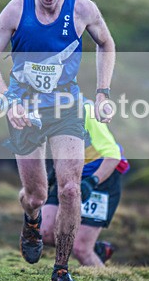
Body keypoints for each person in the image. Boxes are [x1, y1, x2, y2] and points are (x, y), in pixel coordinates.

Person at [0, 0, 116, 281]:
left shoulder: (84, 9)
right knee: (37, 194)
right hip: (23, 108)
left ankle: (62, 272)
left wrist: (102, 93)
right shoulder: (16, 10)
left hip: (66, 107)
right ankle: (32, 221)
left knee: (70, 189)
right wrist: (7, 100)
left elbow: (107, 44)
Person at [43, 101, 129, 267]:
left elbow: (113, 155)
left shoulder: (86, 111)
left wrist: (92, 181)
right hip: (70, 174)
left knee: (81, 249)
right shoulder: (43, 112)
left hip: (102, 175)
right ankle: (98, 250)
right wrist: (53, 174)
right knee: (46, 233)